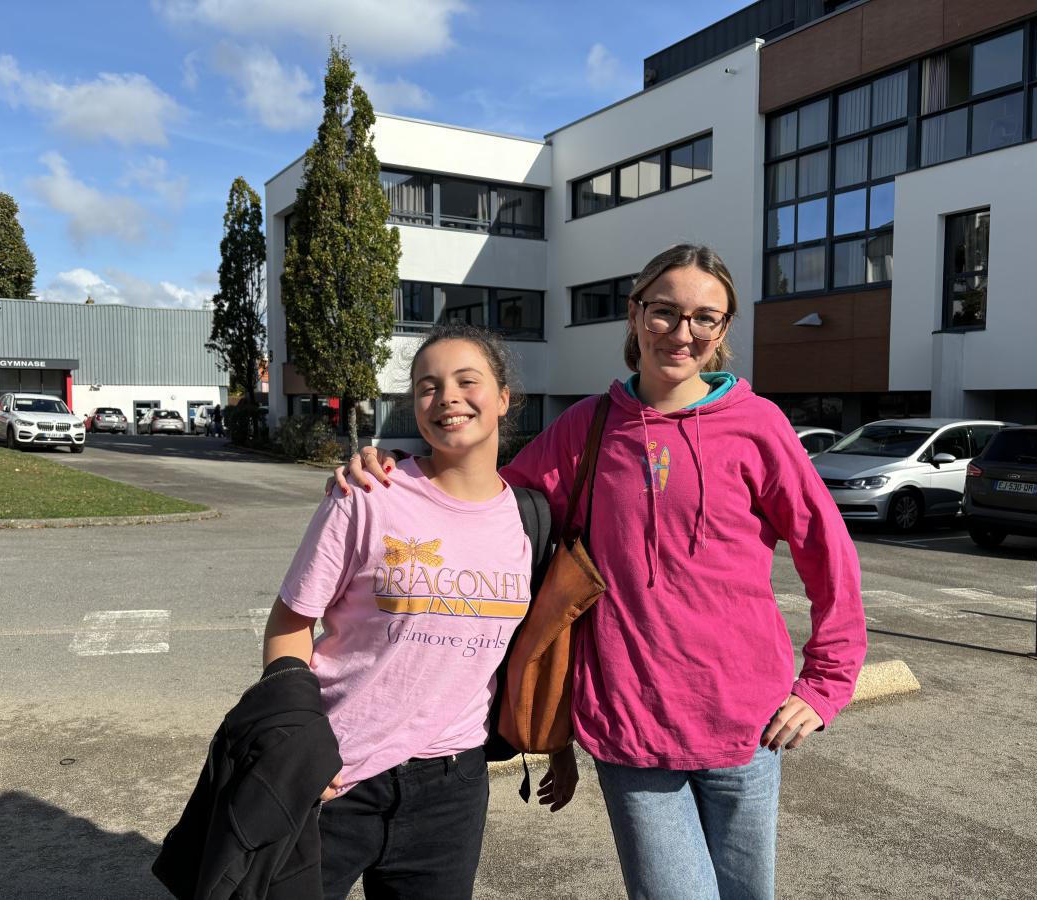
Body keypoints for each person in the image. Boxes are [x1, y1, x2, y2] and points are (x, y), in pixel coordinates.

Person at [336, 243, 866, 900]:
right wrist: (399, 469)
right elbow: (483, 505)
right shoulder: (588, 428)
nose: (683, 332)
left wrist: (825, 683)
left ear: (724, 330)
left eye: (706, 317)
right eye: (665, 311)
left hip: (747, 720)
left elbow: (827, 551)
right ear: (635, 314)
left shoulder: (759, 426)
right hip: (629, 719)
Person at [263, 323, 577, 900]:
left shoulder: (530, 520)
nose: (447, 397)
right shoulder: (367, 494)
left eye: (467, 381)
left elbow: (538, 648)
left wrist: (556, 739)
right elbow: (290, 623)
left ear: (504, 398)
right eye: (428, 386)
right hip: (335, 775)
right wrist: (297, 742)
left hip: (453, 787)